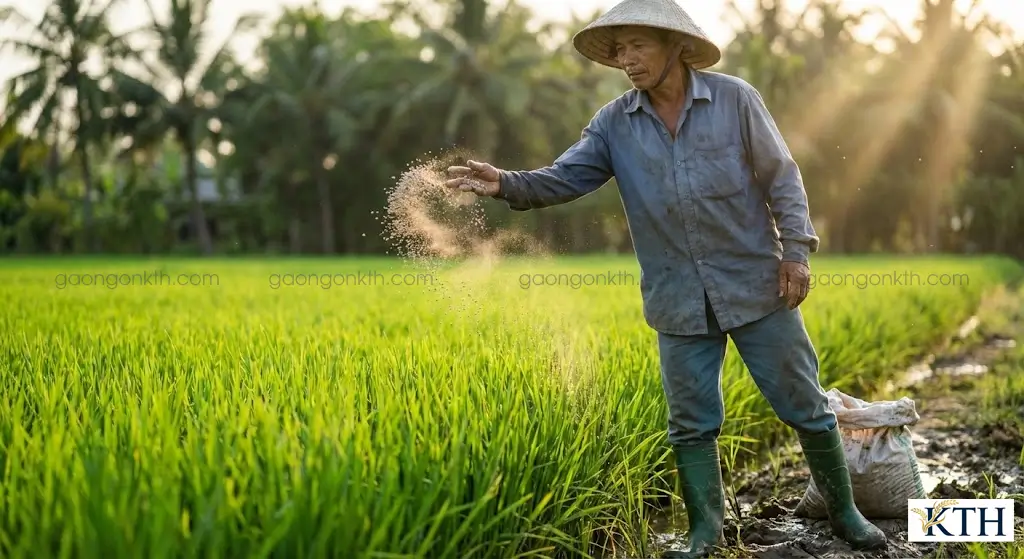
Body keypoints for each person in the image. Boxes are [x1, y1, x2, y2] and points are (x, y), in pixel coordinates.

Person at [444, 0, 887, 556]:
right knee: (690, 422)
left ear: (675, 45)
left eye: (638, 46)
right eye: (619, 50)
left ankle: (845, 514)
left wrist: (796, 253)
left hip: (757, 285)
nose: (626, 59)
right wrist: (505, 182)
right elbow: (564, 178)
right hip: (677, 299)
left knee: (805, 403)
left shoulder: (735, 100)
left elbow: (782, 177)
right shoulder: (613, 123)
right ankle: (705, 532)